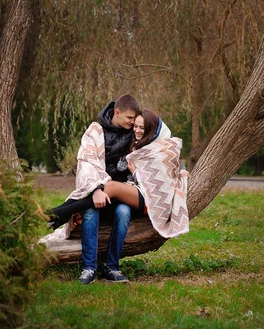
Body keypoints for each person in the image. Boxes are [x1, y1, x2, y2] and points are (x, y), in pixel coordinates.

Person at [47, 109, 189, 281]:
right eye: (135, 126)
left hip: (150, 201)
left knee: (111, 187)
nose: (136, 130)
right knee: (110, 203)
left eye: (142, 128)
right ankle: (93, 268)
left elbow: (158, 183)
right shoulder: (136, 145)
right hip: (133, 195)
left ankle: (60, 213)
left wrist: (135, 172)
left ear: (151, 129)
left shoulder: (162, 148)